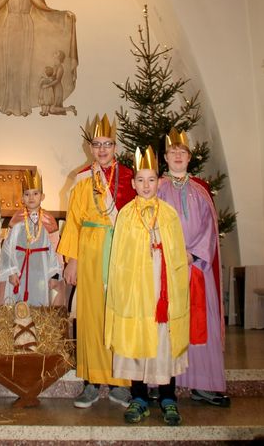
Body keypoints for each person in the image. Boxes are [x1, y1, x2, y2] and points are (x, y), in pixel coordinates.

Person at [105, 146, 190, 426]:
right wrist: (122, 291)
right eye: (140, 180)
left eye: (151, 179)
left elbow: (178, 256)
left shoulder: (169, 214)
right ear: (133, 183)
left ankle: (168, 398)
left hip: (163, 293)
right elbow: (118, 259)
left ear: (158, 181)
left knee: (165, 339)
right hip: (136, 293)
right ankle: (139, 397)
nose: (145, 185)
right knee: (136, 339)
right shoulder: (126, 215)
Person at [58, 114, 136, 409]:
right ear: (90, 147)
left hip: (120, 253)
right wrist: (72, 261)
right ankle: (91, 382)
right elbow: (74, 222)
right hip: (89, 253)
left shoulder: (130, 177)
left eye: (108, 144)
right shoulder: (80, 178)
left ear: (116, 146)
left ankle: (120, 382)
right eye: (97, 144)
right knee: (90, 318)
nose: (102, 149)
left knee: (118, 315)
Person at [158, 127, 230, 407]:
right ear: (165, 157)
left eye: (182, 151)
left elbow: (209, 229)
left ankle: (204, 383)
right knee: (165, 326)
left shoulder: (200, 190)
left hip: (195, 267)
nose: (177, 155)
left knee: (201, 323)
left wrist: (191, 255)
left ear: (189, 157)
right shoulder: (158, 187)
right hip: (165, 267)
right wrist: (171, 255)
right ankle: (159, 382)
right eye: (172, 151)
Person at [0, 170, 64, 306]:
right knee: (18, 305)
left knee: (40, 304)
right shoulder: (16, 219)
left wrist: (55, 275)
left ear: (42, 196)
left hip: (42, 273)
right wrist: (11, 271)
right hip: (19, 272)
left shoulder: (49, 220)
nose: (31, 197)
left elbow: (56, 250)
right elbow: (7, 249)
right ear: (22, 198)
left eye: (35, 193)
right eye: (27, 194)